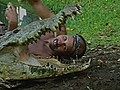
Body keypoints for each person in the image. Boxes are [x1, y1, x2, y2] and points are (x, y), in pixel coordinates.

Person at [4, 0, 86, 61]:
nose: (60, 42)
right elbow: (36, 3)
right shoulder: (57, 28)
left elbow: (11, 55)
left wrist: (12, 26)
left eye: (64, 47)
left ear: (64, 55)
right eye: (64, 38)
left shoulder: (45, 60)